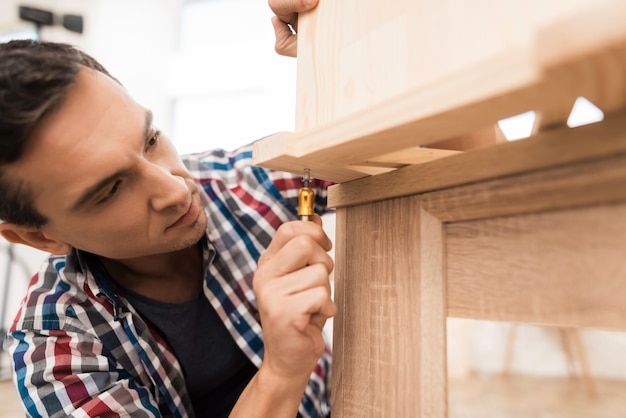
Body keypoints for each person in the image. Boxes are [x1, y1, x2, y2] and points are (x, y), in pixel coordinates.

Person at [0, 0, 335, 416]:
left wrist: (335, 41)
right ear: (39, 236)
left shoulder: (240, 183)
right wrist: (281, 373)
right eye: (110, 191)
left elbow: (402, 145)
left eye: (151, 139)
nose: (177, 191)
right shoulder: (54, 349)